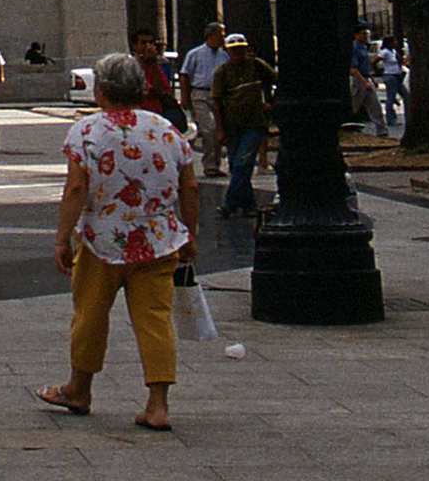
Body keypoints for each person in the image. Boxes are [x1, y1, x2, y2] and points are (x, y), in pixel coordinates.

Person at [38, 52, 197, 433]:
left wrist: (63, 237)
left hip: (102, 241)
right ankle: (157, 403)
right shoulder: (165, 129)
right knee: (156, 318)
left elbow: (76, 187)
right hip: (157, 239)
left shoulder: (87, 131)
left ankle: (79, 388)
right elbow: (189, 184)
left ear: (101, 90)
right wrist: (189, 232)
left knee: (90, 313)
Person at [212, 33, 274, 218]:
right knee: (236, 165)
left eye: (241, 49)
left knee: (243, 163)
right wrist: (220, 128)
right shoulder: (222, 72)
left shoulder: (257, 65)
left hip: (254, 123)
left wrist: (269, 100)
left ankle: (229, 203)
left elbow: (273, 79)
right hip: (232, 125)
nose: (238, 53)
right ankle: (248, 205)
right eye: (234, 50)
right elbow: (216, 102)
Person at [178, 23, 229, 177]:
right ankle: (209, 165)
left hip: (218, 95)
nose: (223, 38)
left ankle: (214, 164)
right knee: (209, 128)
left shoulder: (224, 55)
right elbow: (185, 75)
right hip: (200, 94)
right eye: (221, 34)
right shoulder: (195, 54)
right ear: (211, 35)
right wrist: (185, 97)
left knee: (219, 129)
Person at [131, 29, 178, 127]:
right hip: (136, 115)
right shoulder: (129, 65)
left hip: (156, 114)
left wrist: (153, 63)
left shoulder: (159, 65)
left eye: (151, 43)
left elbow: (164, 91)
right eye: (143, 43)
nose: (148, 46)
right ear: (135, 46)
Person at [348, 27, 388, 138]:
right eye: (363, 33)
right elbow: (353, 69)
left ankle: (382, 131)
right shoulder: (354, 48)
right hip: (359, 80)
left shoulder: (364, 47)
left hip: (366, 78)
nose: (366, 36)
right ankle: (345, 127)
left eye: (367, 33)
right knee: (354, 105)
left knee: (375, 106)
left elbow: (366, 66)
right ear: (356, 35)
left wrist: (372, 79)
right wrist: (364, 81)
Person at [378, 37, 407, 131]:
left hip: (397, 76)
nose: (396, 42)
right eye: (394, 41)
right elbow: (375, 60)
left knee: (406, 95)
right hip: (390, 76)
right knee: (391, 97)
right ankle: (390, 119)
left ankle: (408, 116)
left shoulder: (393, 51)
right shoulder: (385, 52)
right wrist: (379, 72)